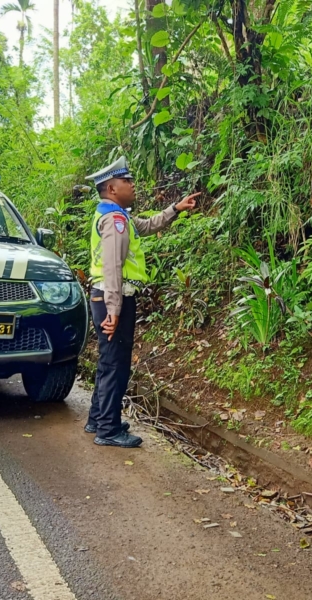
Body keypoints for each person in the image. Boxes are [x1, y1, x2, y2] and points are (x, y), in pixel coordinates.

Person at [84, 157, 200, 448]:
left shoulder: (115, 215)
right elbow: (112, 266)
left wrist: (176, 208)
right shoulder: (115, 220)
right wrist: (113, 310)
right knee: (116, 364)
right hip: (115, 296)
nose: (133, 186)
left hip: (107, 296)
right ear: (112, 188)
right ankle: (108, 429)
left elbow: (147, 226)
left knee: (108, 360)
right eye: (127, 182)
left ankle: (99, 417)